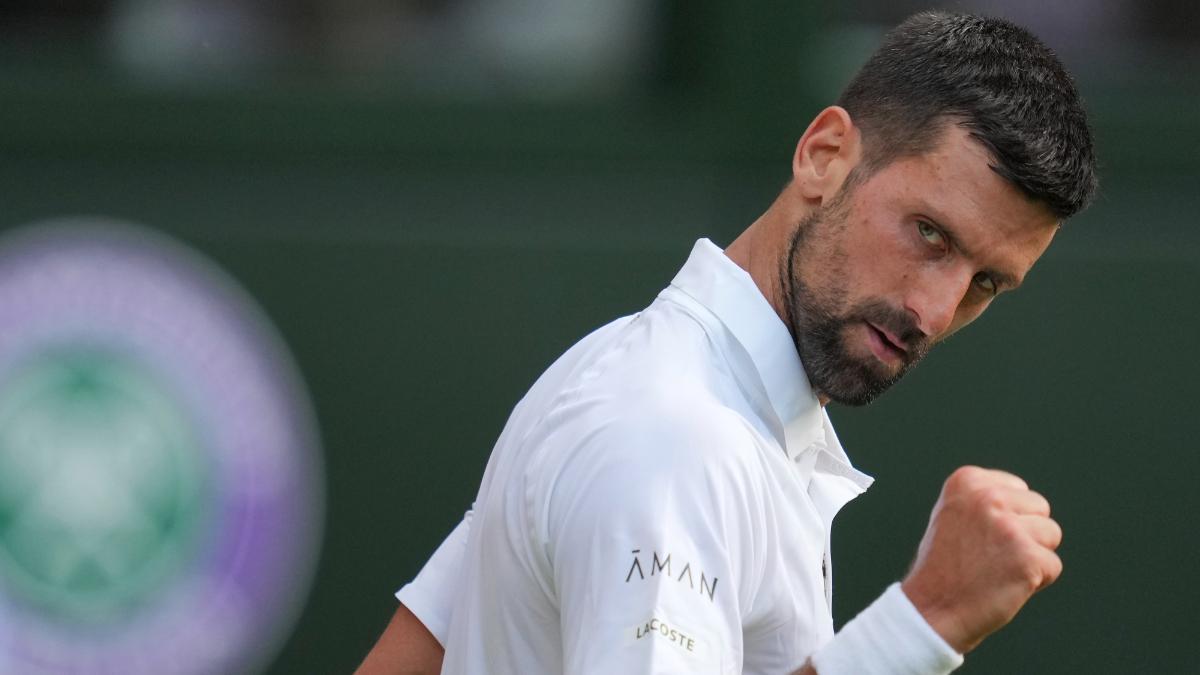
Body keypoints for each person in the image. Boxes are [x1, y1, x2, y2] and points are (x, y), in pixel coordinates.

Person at [357, 10, 1096, 675]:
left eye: (986, 284)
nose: (935, 311)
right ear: (824, 153)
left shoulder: (635, 379)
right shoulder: (675, 440)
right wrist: (924, 622)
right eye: (929, 233)